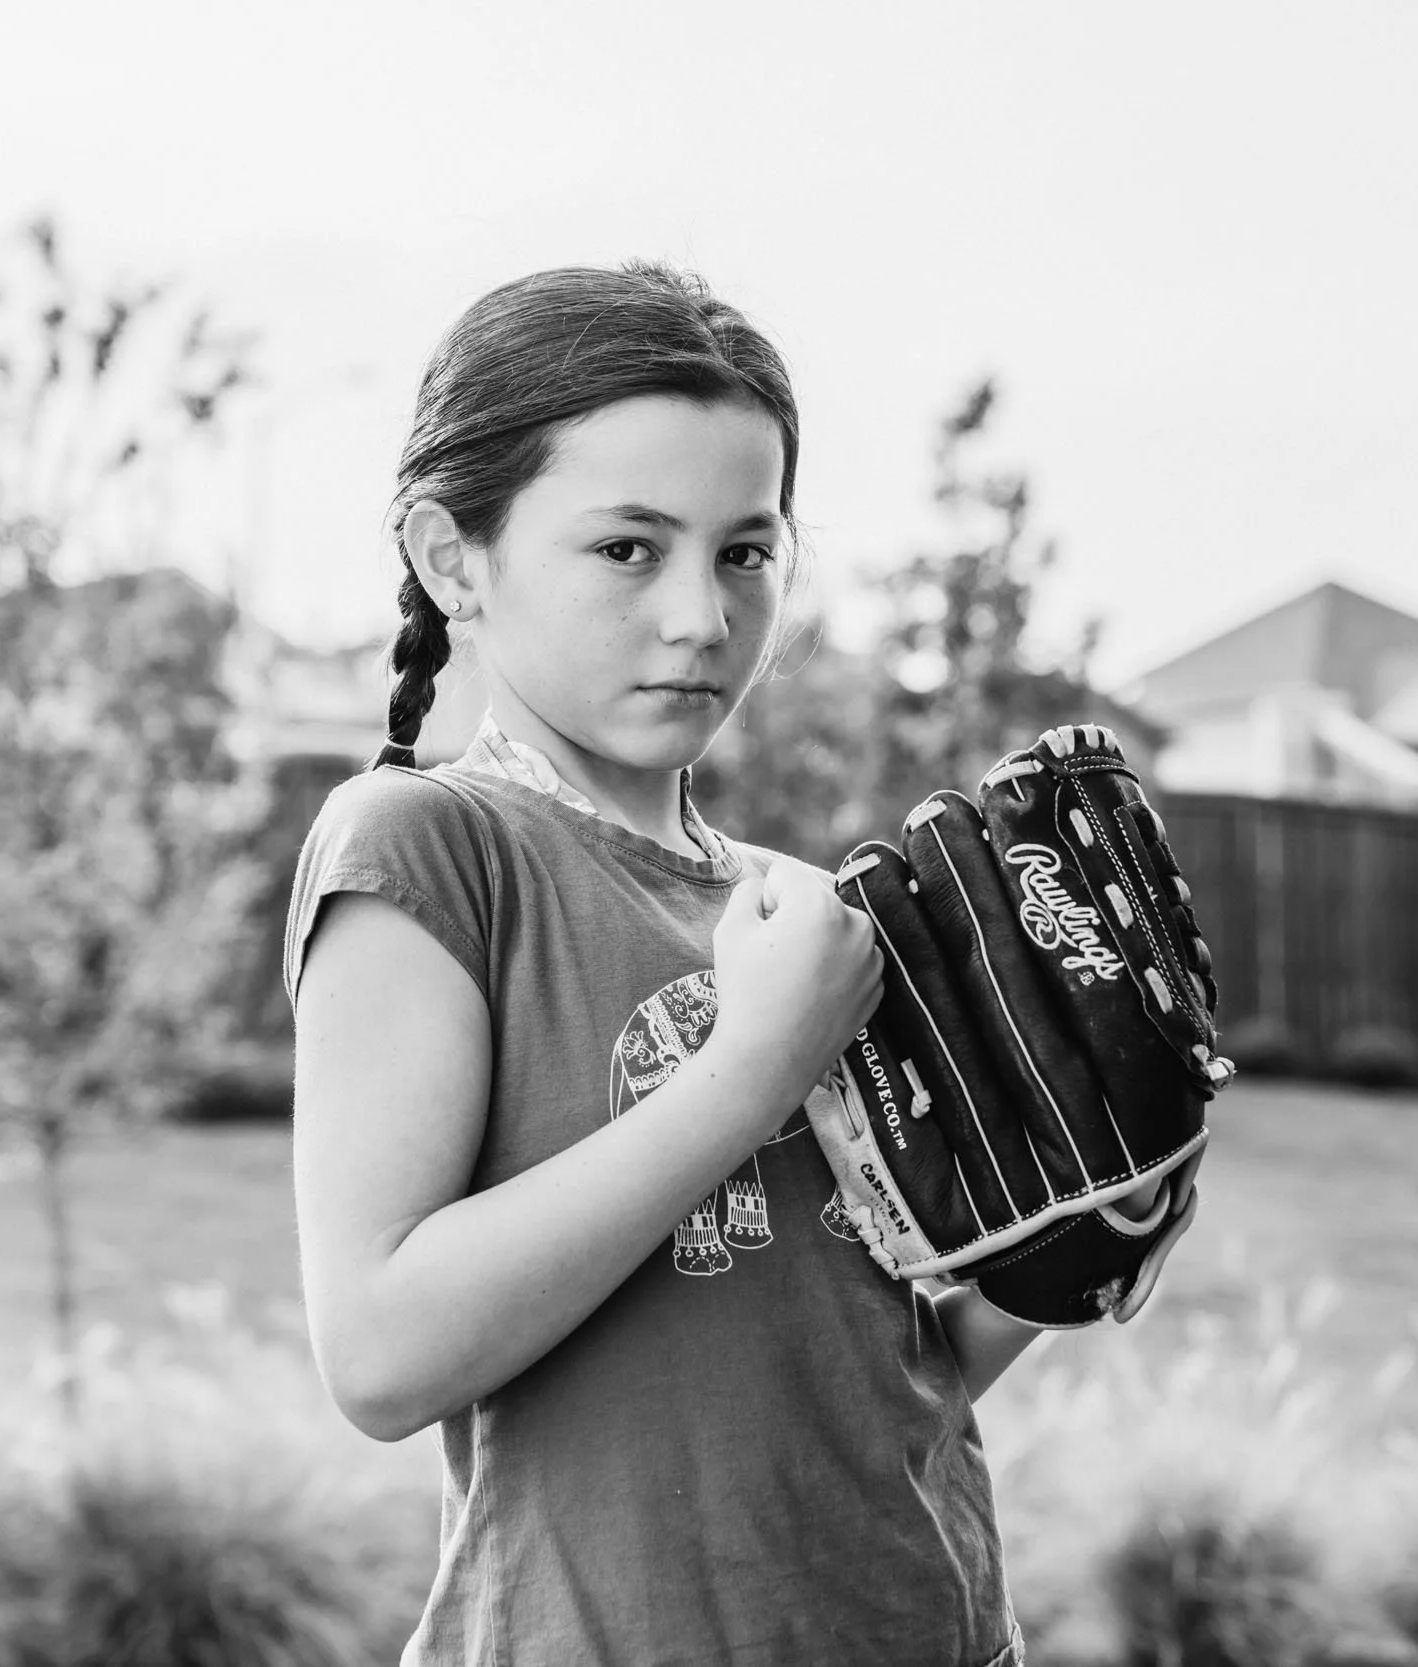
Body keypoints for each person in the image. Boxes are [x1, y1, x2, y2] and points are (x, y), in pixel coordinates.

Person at [283, 263, 1055, 1666]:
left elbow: (883, 1361)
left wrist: (1070, 1251)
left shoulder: (795, 915)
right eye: (629, 548)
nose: (702, 617)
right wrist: (751, 1071)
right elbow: (382, 1349)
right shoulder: (426, 845)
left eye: (746, 551)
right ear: (453, 554)